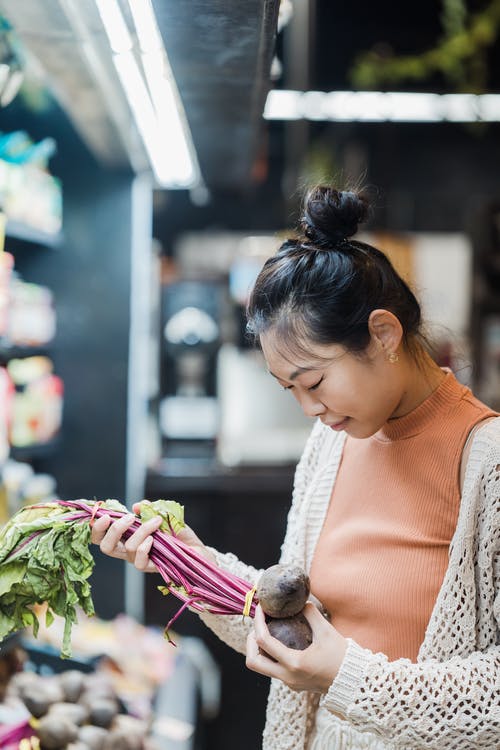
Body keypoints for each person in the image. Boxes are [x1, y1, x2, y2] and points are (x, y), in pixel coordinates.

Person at [92, 186, 500, 750]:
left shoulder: (489, 464)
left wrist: (345, 676)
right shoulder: (329, 445)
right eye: (290, 390)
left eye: (314, 381)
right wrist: (183, 559)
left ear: (383, 334)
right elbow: (291, 629)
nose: (309, 407)